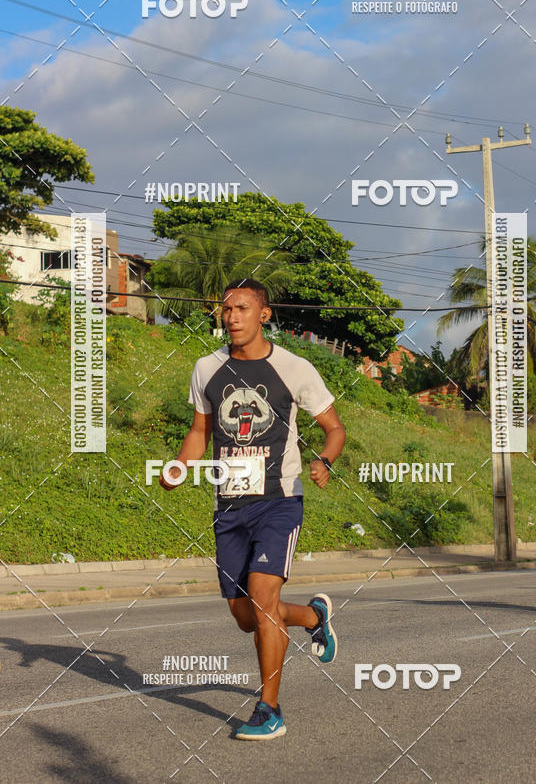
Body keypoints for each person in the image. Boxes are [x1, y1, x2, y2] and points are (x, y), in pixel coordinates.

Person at [160, 278, 346, 740]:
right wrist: (181, 466)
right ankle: (312, 617)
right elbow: (200, 431)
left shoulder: (294, 368)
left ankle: (269, 709)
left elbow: (335, 428)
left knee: (263, 601)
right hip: (229, 506)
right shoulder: (207, 368)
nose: (232, 316)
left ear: (264, 314)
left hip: (279, 500)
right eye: (226, 309)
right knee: (247, 617)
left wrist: (324, 460)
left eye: (242, 308)